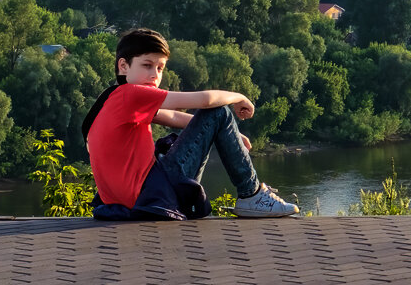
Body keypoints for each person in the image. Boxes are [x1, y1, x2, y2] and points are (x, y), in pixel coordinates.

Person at [84, 28, 298, 219]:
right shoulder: (131, 94)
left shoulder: (111, 100)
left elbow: (172, 117)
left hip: (129, 202)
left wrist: (231, 132)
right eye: (147, 65)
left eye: (160, 68)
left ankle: (252, 195)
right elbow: (206, 101)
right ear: (123, 66)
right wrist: (239, 97)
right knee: (219, 110)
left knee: (216, 117)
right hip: (152, 196)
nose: (154, 75)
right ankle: (252, 194)